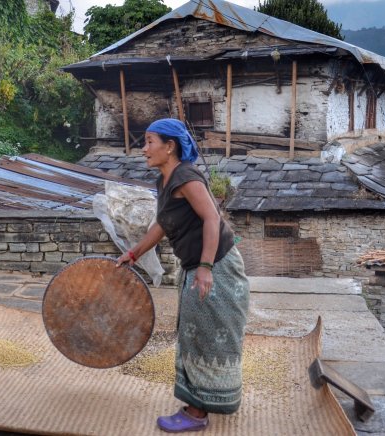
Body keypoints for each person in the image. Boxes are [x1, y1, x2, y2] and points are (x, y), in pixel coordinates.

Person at [116, 118, 250, 433]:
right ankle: (197, 404)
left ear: (169, 146)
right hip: (199, 267)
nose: (144, 149)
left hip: (217, 268)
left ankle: (197, 414)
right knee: (193, 336)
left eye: (150, 142)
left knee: (206, 337)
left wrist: (205, 268)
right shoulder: (165, 181)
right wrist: (134, 253)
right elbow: (163, 224)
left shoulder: (187, 177)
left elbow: (211, 219)